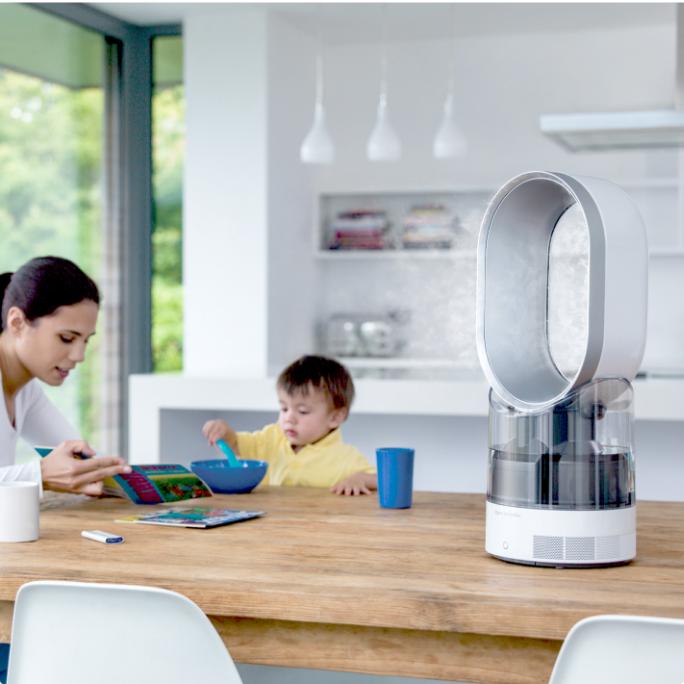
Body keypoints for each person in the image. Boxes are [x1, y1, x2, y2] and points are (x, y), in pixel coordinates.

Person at [0, 256, 132, 496]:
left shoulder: (25, 390)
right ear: (17, 323)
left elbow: (82, 459)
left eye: (85, 340)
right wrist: (40, 475)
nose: (79, 356)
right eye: (67, 338)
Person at [202, 355, 377, 496]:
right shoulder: (272, 437)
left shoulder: (346, 458)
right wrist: (224, 432)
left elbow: (385, 480)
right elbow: (235, 445)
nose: (289, 418)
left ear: (336, 417)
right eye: (284, 408)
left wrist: (360, 478)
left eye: (302, 411)